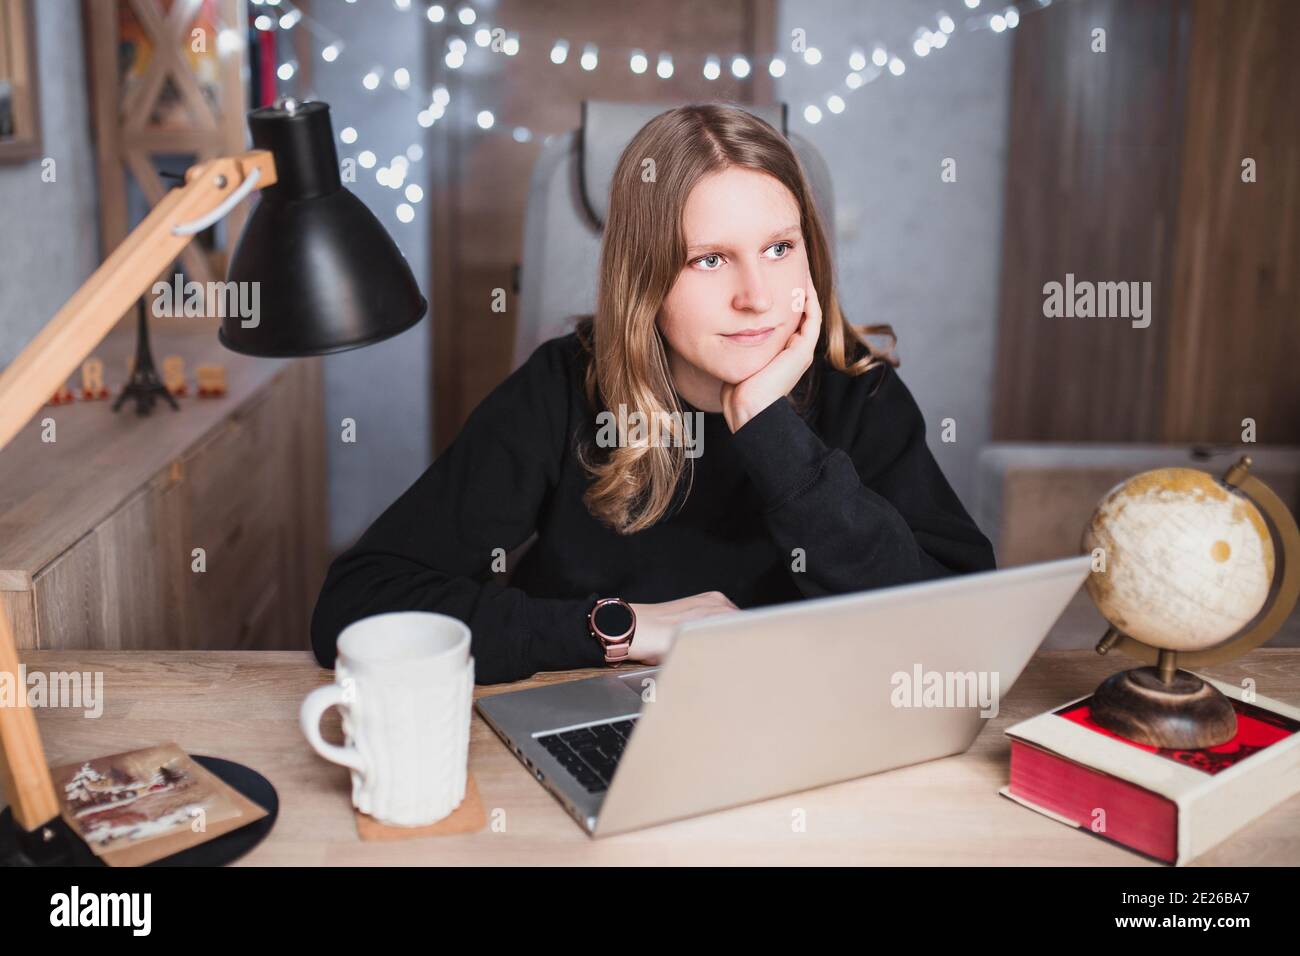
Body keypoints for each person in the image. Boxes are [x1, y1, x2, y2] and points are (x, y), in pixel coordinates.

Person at [311, 103, 996, 684]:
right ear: (645, 278)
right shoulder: (562, 389)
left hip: (799, 744)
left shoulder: (860, 395)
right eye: (709, 259)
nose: (756, 297)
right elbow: (356, 604)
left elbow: (953, 633)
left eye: (780, 248)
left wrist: (773, 436)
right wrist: (622, 628)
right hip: (591, 722)